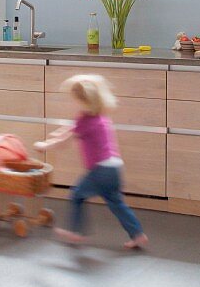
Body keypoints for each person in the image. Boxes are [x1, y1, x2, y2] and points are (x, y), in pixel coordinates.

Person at [35, 74, 148, 249]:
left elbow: (65, 142)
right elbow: (71, 128)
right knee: (117, 203)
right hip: (115, 167)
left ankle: (75, 232)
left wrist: (45, 145)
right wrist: (57, 134)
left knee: (77, 195)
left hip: (100, 170)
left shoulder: (84, 120)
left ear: (81, 100)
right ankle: (138, 234)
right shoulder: (100, 116)